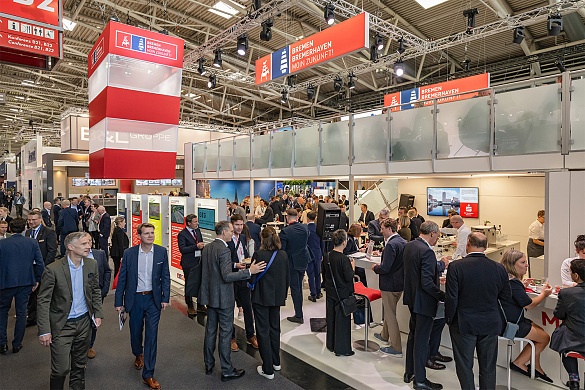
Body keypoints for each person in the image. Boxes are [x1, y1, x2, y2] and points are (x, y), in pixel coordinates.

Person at [199, 220, 265, 382]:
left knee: (210, 332)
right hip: (223, 299)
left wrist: (235, 264)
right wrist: (250, 271)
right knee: (225, 334)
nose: (232, 233)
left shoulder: (208, 247)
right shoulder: (224, 249)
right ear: (223, 232)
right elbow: (227, 276)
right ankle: (227, 370)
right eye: (230, 230)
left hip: (211, 296)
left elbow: (210, 270)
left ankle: (209, 365)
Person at [37, 232, 103, 389]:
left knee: (79, 367)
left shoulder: (91, 264)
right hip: (61, 326)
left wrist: (98, 313)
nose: (89, 246)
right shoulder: (53, 270)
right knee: (61, 369)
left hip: (84, 324)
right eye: (84, 244)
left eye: (89, 243)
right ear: (70, 247)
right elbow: (43, 300)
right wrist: (44, 330)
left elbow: (95, 290)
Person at [445, 233, 511, 390]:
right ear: (486, 247)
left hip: (463, 323)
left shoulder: (456, 266)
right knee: (488, 367)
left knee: (464, 365)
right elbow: (506, 295)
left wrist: (449, 320)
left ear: (468, 243)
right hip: (490, 322)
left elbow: (451, 298)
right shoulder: (498, 267)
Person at [115, 223, 171, 390]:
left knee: (152, 336)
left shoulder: (161, 251)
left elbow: (166, 277)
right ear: (139, 236)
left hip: (153, 300)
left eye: (152, 233)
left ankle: (148, 374)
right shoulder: (129, 253)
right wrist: (119, 302)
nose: (150, 236)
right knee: (136, 332)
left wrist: (165, 298)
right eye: (146, 233)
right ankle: (137, 353)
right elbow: (122, 279)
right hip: (135, 300)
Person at [499, 249, 553, 382]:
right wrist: (543, 295)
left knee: (539, 331)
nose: (526, 265)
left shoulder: (504, 277)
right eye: (523, 262)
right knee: (545, 338)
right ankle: (518, 363)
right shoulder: (514, 283)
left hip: (502, 320)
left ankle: (536, 367)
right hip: (511, 325)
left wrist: (522, 286)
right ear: (513, 264)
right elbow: (529, 305)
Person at [403, 221, 445, 390]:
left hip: (412, 299)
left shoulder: (410, 245)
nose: (438, 239)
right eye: (438, 235)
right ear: (432, 233)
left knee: (413, 336)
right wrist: (443, 296)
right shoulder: (427, 252)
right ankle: (420, 380)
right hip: (424, 302)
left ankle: (410, 372)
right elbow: (427, 284)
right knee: (421, 341)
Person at [250, 227, 289, 380]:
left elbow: (253, 276)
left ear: (262, 239)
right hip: (277, 298)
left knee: (262, 331)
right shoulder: (283, 255)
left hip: (260, 298)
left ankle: (268, 369)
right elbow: (287, 278)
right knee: (275, 328)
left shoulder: (259, 254)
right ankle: (276, 362)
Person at [0, 217, 44, 354]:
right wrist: (37, 280)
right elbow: (40, 263)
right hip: (26, 282)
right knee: (21, 314)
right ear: (25, 228)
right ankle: (17, 344)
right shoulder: (32, 242)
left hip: (5, 283)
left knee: (2, 313)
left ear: (9, 229)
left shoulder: (2, 244)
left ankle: (2, 344)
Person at [372, 218, 407, 356]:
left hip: (389, 284)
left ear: (390, 229)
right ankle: (384, 335)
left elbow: (385, 268)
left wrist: (376, 268)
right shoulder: (403, 242)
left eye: (382, 228)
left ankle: (396, 347)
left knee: (390, 314)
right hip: (400, 283)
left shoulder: (391, 245)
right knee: (389, 310)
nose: (380, 231)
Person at [550, 258, 585, 390]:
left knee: (565, 345)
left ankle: (574, 379)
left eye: (570, 272)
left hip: (573, 339)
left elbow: (558, 314)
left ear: (576, 275)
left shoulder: (566, 293)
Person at [322, 229, 355, 356]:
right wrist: (352, 267)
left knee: (331, 318)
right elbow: (348, 276)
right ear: (344, 242)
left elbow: (325, 275)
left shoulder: (327, 256)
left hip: (331, 291)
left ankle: (330, 344)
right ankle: (342, 349)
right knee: (342, 322)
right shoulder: (344, 259)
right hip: (342, 293)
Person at [227, 214, 257, 349]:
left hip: (244, 277)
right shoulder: (227, 240)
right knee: (230, 309)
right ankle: (232, 338)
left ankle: (250, 335)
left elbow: (244, 255)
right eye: (237, 225)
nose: (239, 227)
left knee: (247, 307)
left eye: (241, 224)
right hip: (232, 278)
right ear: (232, 225)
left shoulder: (244, 238)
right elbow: (225, 261)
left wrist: (247, 263)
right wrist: (235, 265)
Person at [25, 210, 57, 327]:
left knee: (43, 294)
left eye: (33, 220)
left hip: (44, 267)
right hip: (30, 268)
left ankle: (45, 319)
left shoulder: (48, 232)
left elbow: (52, 250)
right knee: (31, 293)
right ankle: (32, 317)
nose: (31, 222)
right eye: (29, 220)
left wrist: (44, 267)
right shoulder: (28, 232)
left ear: (40, 219)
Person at [279, 209, 312, 324]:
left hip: (292, 263)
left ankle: (299, 315)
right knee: (299, 287)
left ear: (287, 217)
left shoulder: (285, 231)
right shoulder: (305, 228)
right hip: (303, 260)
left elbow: (282, 251)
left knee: (295, 288)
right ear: (298, 216)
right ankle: (299, 313)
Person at [177, 214, 205, 316]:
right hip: (188, 263)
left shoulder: (198, 231)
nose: (197, 223)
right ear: (189, 223)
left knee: (200, 283)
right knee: (189, 284)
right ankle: (190, 305)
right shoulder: (182, 234)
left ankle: (201, 305)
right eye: (195, 222)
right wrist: (196, 246)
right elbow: (182, 249)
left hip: (199, 261)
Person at [87, 246, 111, 359]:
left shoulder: (100, 254)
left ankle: (90, 346)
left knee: (94, 321)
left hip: (97, 294)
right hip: (81, 295)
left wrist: (105, 289)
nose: (87, 244)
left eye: (89, 241)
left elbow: (107, 270)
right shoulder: (75, 256)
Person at [306, 211, 325, 302]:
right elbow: (322, 243)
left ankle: (312, 294)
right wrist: (321, 254)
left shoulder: (305, 229)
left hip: (308, 254)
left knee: (310, 274)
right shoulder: (319, 229)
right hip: (317, 253)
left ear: (307, 218)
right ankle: (318, 292)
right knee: (318, 274)